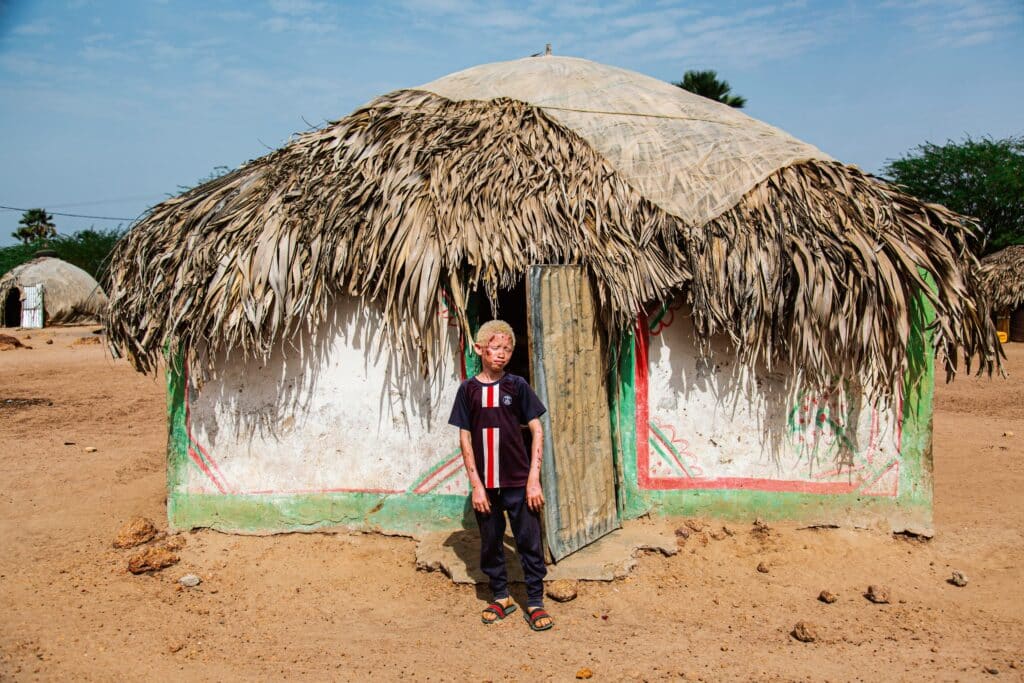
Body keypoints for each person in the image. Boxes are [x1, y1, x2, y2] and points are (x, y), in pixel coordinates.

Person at [448, 319, 553, 631]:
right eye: (495, 348)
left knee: (528, 542)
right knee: (491, 543)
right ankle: (501, 596)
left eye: (508, 349)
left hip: (519, 483)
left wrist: (533, 479)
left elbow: (537, 430)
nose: (502, 354)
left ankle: (535, 601)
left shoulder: (518, 386)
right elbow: (465, 439)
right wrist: (476, 486)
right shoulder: (467, 390)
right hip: (487, 487)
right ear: (480, 349)